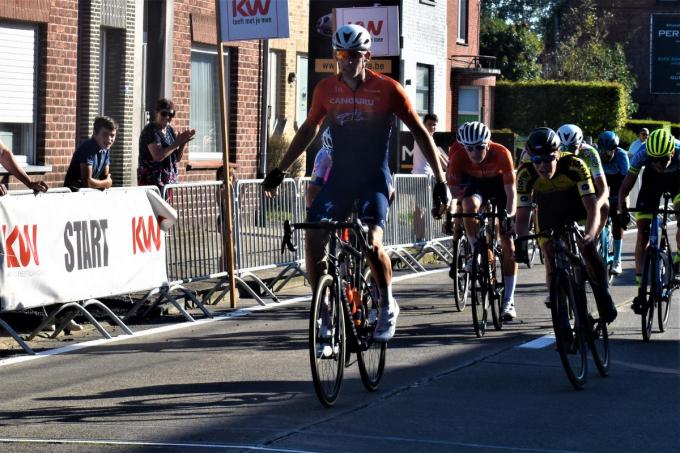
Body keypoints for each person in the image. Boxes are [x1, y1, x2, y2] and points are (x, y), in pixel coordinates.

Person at [262, 24, 449, 342]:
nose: (347, 61)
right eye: (341, 55)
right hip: (341, 181)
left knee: (372, 242)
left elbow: (419, 131)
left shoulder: (387, 89)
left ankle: (388, 302)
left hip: (374, 180)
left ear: (367, 56)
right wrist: (279, 169)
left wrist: (441, 181)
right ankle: (324, 312)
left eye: (354, 55)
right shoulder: (325, 90)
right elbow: (309, 130)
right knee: (313, 235)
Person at [515, 127, 617, 324]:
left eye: (548, 159)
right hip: (548, 209)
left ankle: (602, 293)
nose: (543, 166)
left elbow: (593, 207)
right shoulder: (525, 174)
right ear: (531, 159)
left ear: (558, 154)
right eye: (537, 160)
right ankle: (561, 314)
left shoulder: (575, 165)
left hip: (576, 204)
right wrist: (520, 242)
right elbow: (522, 216)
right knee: (550, 257)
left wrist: (590, 234)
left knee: (586, 249)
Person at [447, 121, 518, 320]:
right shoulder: (459, 155)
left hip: (499, 185)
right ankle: (475, 249)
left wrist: (509, 216)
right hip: (475, 185)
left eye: (479, 148)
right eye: (470, 149)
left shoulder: (502, 153)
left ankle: (508, 301)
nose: (475, 153)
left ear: (488, 144)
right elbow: (454, 191)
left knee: (509, 246)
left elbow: (511, 192)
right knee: (468, 208)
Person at [618, 129, 680, 313]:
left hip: (678, 180)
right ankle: (640, 288)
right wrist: (622, 210)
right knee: (642, 232)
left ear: (672, 152)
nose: (659, 163)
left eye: (663, 159)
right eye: (654, 160)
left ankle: (678, 258)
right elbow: (625, 187)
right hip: (652, 182)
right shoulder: (643, 153)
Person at [557, 124, 609, 230]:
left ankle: (593, 239)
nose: (567, 152)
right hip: (563, 187)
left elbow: (603, 190)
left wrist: (595, 208)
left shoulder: (589, 153)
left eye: (572, 147)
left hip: (586, 184)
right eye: (562, 148)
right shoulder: (553, 154)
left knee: (605, 206)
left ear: (580, 145)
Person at [138, 98, 196, 191]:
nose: (167, 117)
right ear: (156, 113)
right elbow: (158, 156)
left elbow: (176, 159)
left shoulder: (169, 130)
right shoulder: (150, 130)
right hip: (151, 184)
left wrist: (182, 144)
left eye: (171, 114)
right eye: (164, 113)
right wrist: (176, 142)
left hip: (167, 183)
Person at [596, 131, 630, 275]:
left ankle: (617, 260)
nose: (605, 155)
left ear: (615, 149)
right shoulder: (595, 155)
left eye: (608, 152)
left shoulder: (622, 156)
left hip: (618, 183)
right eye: (602, 151)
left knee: (617, 221)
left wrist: (624, 208)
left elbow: (625, 186)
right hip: (601, 180)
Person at [412, 113, 447, 242]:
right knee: (421, 208)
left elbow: (441, 157)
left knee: (425, 207)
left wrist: (450, 168)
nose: (432, 127)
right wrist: (450, 170)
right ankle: (420, 238)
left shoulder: (429, 138)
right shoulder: (424, 137)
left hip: (426, 177)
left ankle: (421, 237)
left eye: (434, 125)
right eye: (429, 124)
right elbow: (439, 158)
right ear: (424, 125)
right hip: (422, 178)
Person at [64, 116, 117, 190]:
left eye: (112, 135)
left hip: (88, 195)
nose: (109, 139)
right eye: (105, 134)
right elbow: (87, 182)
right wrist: (106, 183)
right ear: (95, 133)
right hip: (73, 196)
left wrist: (104, 182)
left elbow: (104, 177)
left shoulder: (105, 149)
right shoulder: (87, 148)